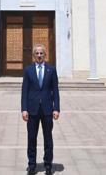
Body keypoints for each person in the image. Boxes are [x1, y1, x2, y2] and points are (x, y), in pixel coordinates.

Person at [21, 43, 60, 175]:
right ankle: (32, 165)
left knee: (48, 139)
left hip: (48, 110)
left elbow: (55, 90)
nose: (39, 55)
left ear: (45, 55)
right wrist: (24, 109)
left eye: (41, 53)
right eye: (37, 53)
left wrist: (57, 108)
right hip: (32, 110)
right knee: (31, 139)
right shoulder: (28, 70)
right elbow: (24, 91)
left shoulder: (51, 70)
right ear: (33, 55)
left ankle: (48, 165)